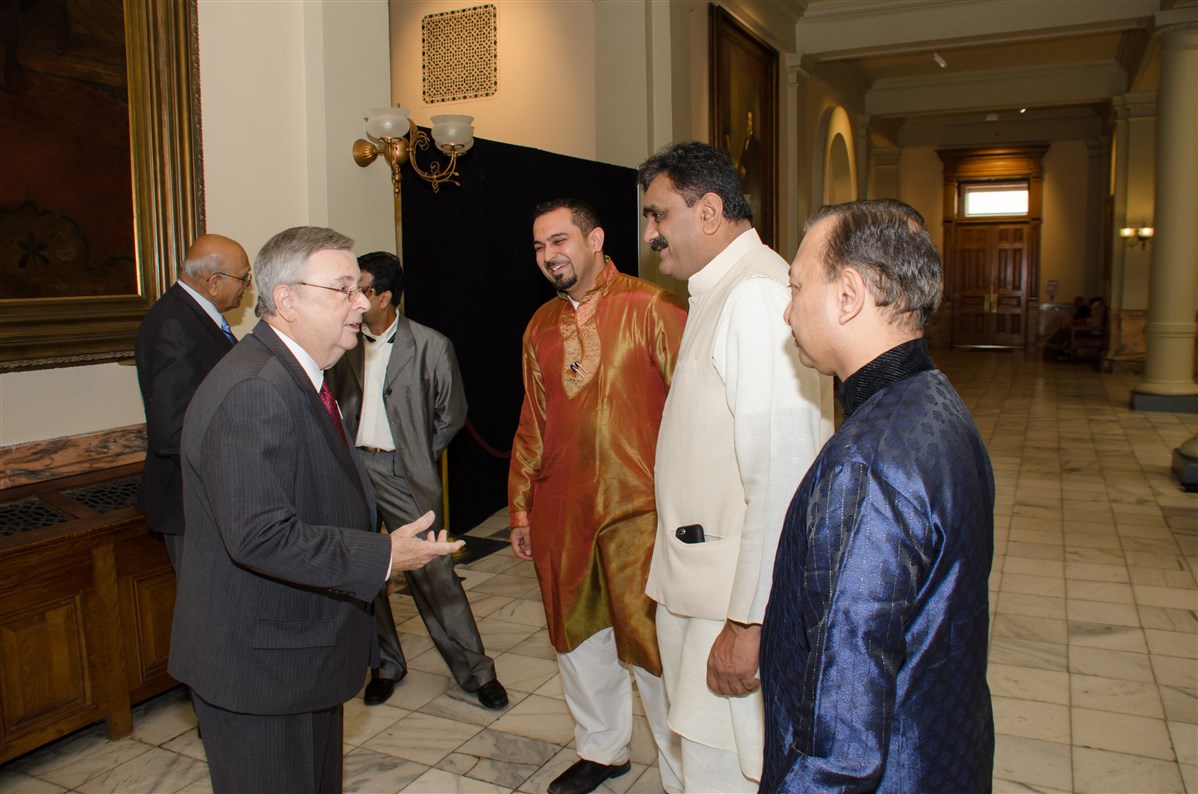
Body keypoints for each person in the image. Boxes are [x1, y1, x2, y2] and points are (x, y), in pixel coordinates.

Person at [169, 226, 463, 793]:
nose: (361, 303)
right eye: (344, 288)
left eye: (360, 288)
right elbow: (259, 537)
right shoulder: (255, 389)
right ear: (286, 300)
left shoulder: (298, 376)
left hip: (295, 656)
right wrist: (384, 554)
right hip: (261, 669)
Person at [760, 200, 995, 792]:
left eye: (796, 286)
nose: (787, 312)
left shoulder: (868, 463)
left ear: (849, 294)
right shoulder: (936, 401)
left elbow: (842, 736)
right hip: (945, 750)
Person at [639, 142, 834, 792]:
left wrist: (749, 623)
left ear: (711, 210)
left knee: (726, 777)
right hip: (705, 593)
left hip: (728, 604)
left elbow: (783, 479)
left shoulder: (753, 296)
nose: (650, 235)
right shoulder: (717, 290)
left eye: (658, 215)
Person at [508, 198, 688, 794]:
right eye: (538, 247)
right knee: (579, 639)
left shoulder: (652, 306)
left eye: (558, 241)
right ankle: (602, 750)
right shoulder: (538, 326)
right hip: (563, 507)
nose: (547, 256)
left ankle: (684, 768)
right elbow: (533, 422)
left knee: (654, 643)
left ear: (595, 239)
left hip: (642, 507)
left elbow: (696, 413)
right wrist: (521, 505)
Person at [328, 250, 508, 710]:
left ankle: (476, 671)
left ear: (385, 297)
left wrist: (415, 457)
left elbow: (453, 415)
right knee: (365, 573)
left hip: (402, 472)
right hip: (352, 470)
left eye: (361, 290)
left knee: (435, 571)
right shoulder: (340, 343)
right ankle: (385, 664)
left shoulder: (431, 345)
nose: (353, 299)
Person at [135, 233, 250, 573]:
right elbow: (172, 431)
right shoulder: (176, 323)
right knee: (207, 617)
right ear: (214, 282)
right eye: (243, 279)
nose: (246, 287)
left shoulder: (192, 314)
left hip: (203, 496)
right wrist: (240, 450)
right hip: (189, 501)